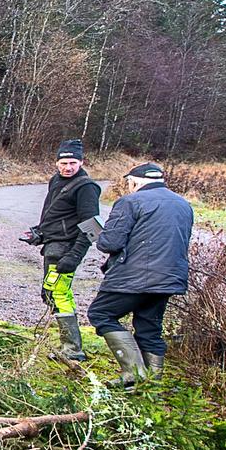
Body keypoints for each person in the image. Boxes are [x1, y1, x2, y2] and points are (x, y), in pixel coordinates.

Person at [87, 162, 195, 385]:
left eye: (129, 183)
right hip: (169, 278)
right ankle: (152, 384)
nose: (128, 187)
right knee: (149, 327)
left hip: (132, 277)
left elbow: (109, 243)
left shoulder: (130, 202)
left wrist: (99, 234)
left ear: (134, 181)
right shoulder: (183, 204)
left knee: (101, 314)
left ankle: (133, 374)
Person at [21, 139, 102, 361]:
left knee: (59, 294)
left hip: (66, 251)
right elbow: (55, 214)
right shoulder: (55, 181)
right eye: (64, 162)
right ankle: (64, 342)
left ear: (82, 162)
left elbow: (92, 227)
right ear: (56, 163)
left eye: (73, 163)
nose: (68, 167)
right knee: (49, 294)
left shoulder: (86, 187)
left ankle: (72, 350)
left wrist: (75, 256)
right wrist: (40, 233)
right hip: (53, 246)